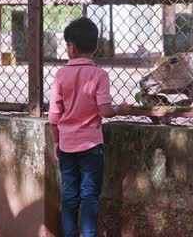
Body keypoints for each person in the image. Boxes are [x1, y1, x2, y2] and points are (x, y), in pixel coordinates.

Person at [48, 17, 131, 237]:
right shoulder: (99, 75)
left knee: (69, 195)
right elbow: (105, 111)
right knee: (89, 196)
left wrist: (56, 141)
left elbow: (54, 116)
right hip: (91, 147)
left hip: (66, 146)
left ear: (71, 47)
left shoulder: (61, 74)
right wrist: (122, 110)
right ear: (95, 47)